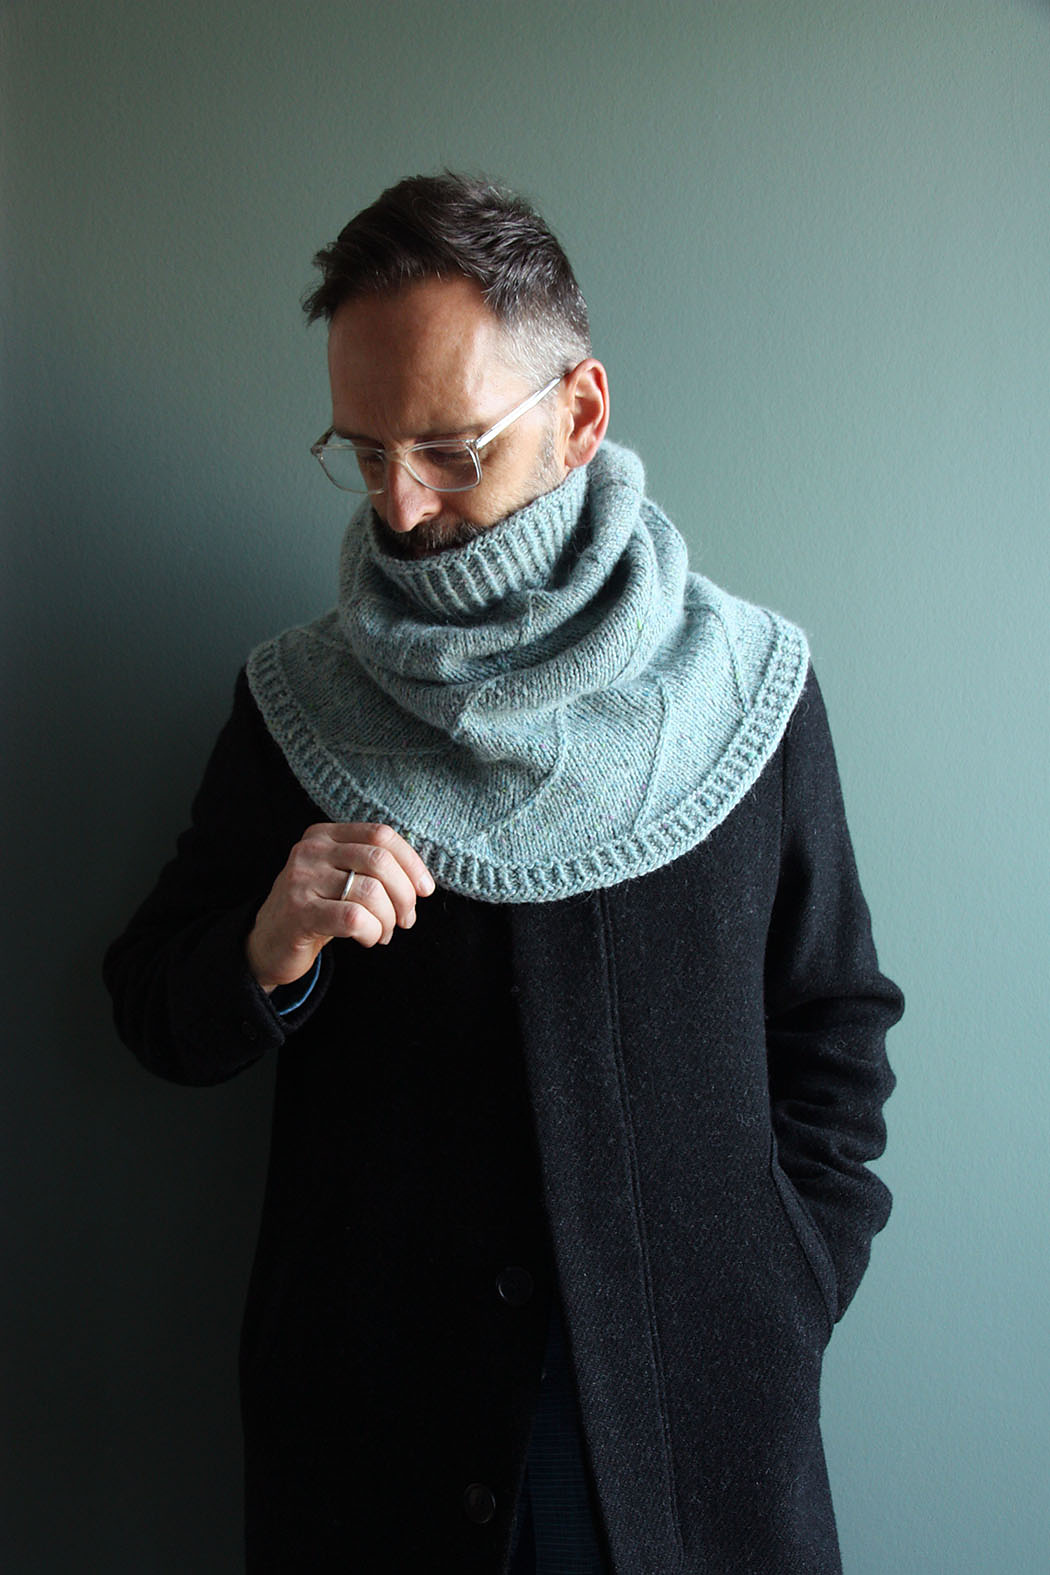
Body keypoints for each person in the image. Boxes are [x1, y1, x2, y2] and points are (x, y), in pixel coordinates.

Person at [104, 172, 903, 1575]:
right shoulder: (296, 699)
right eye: (361, 454)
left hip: (689, 1434)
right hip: (376, 1440)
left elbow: (833, 1035)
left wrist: (777, 1295)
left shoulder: (750, 689)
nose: (401, 509)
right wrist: (264, 951)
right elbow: (153, 1012)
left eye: (448, 449)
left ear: (578, 412)